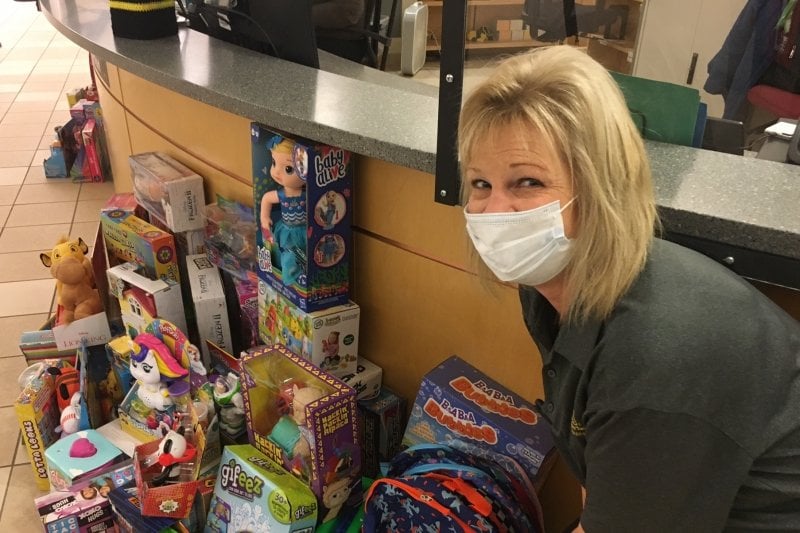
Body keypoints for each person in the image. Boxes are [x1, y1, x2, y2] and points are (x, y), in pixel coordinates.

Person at [458, 45, 800, 532]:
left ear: (600, 188)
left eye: (528, 182)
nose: (494, 214)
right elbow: (604, 480)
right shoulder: (553, 286)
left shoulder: (655, 353)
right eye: (480, 184)